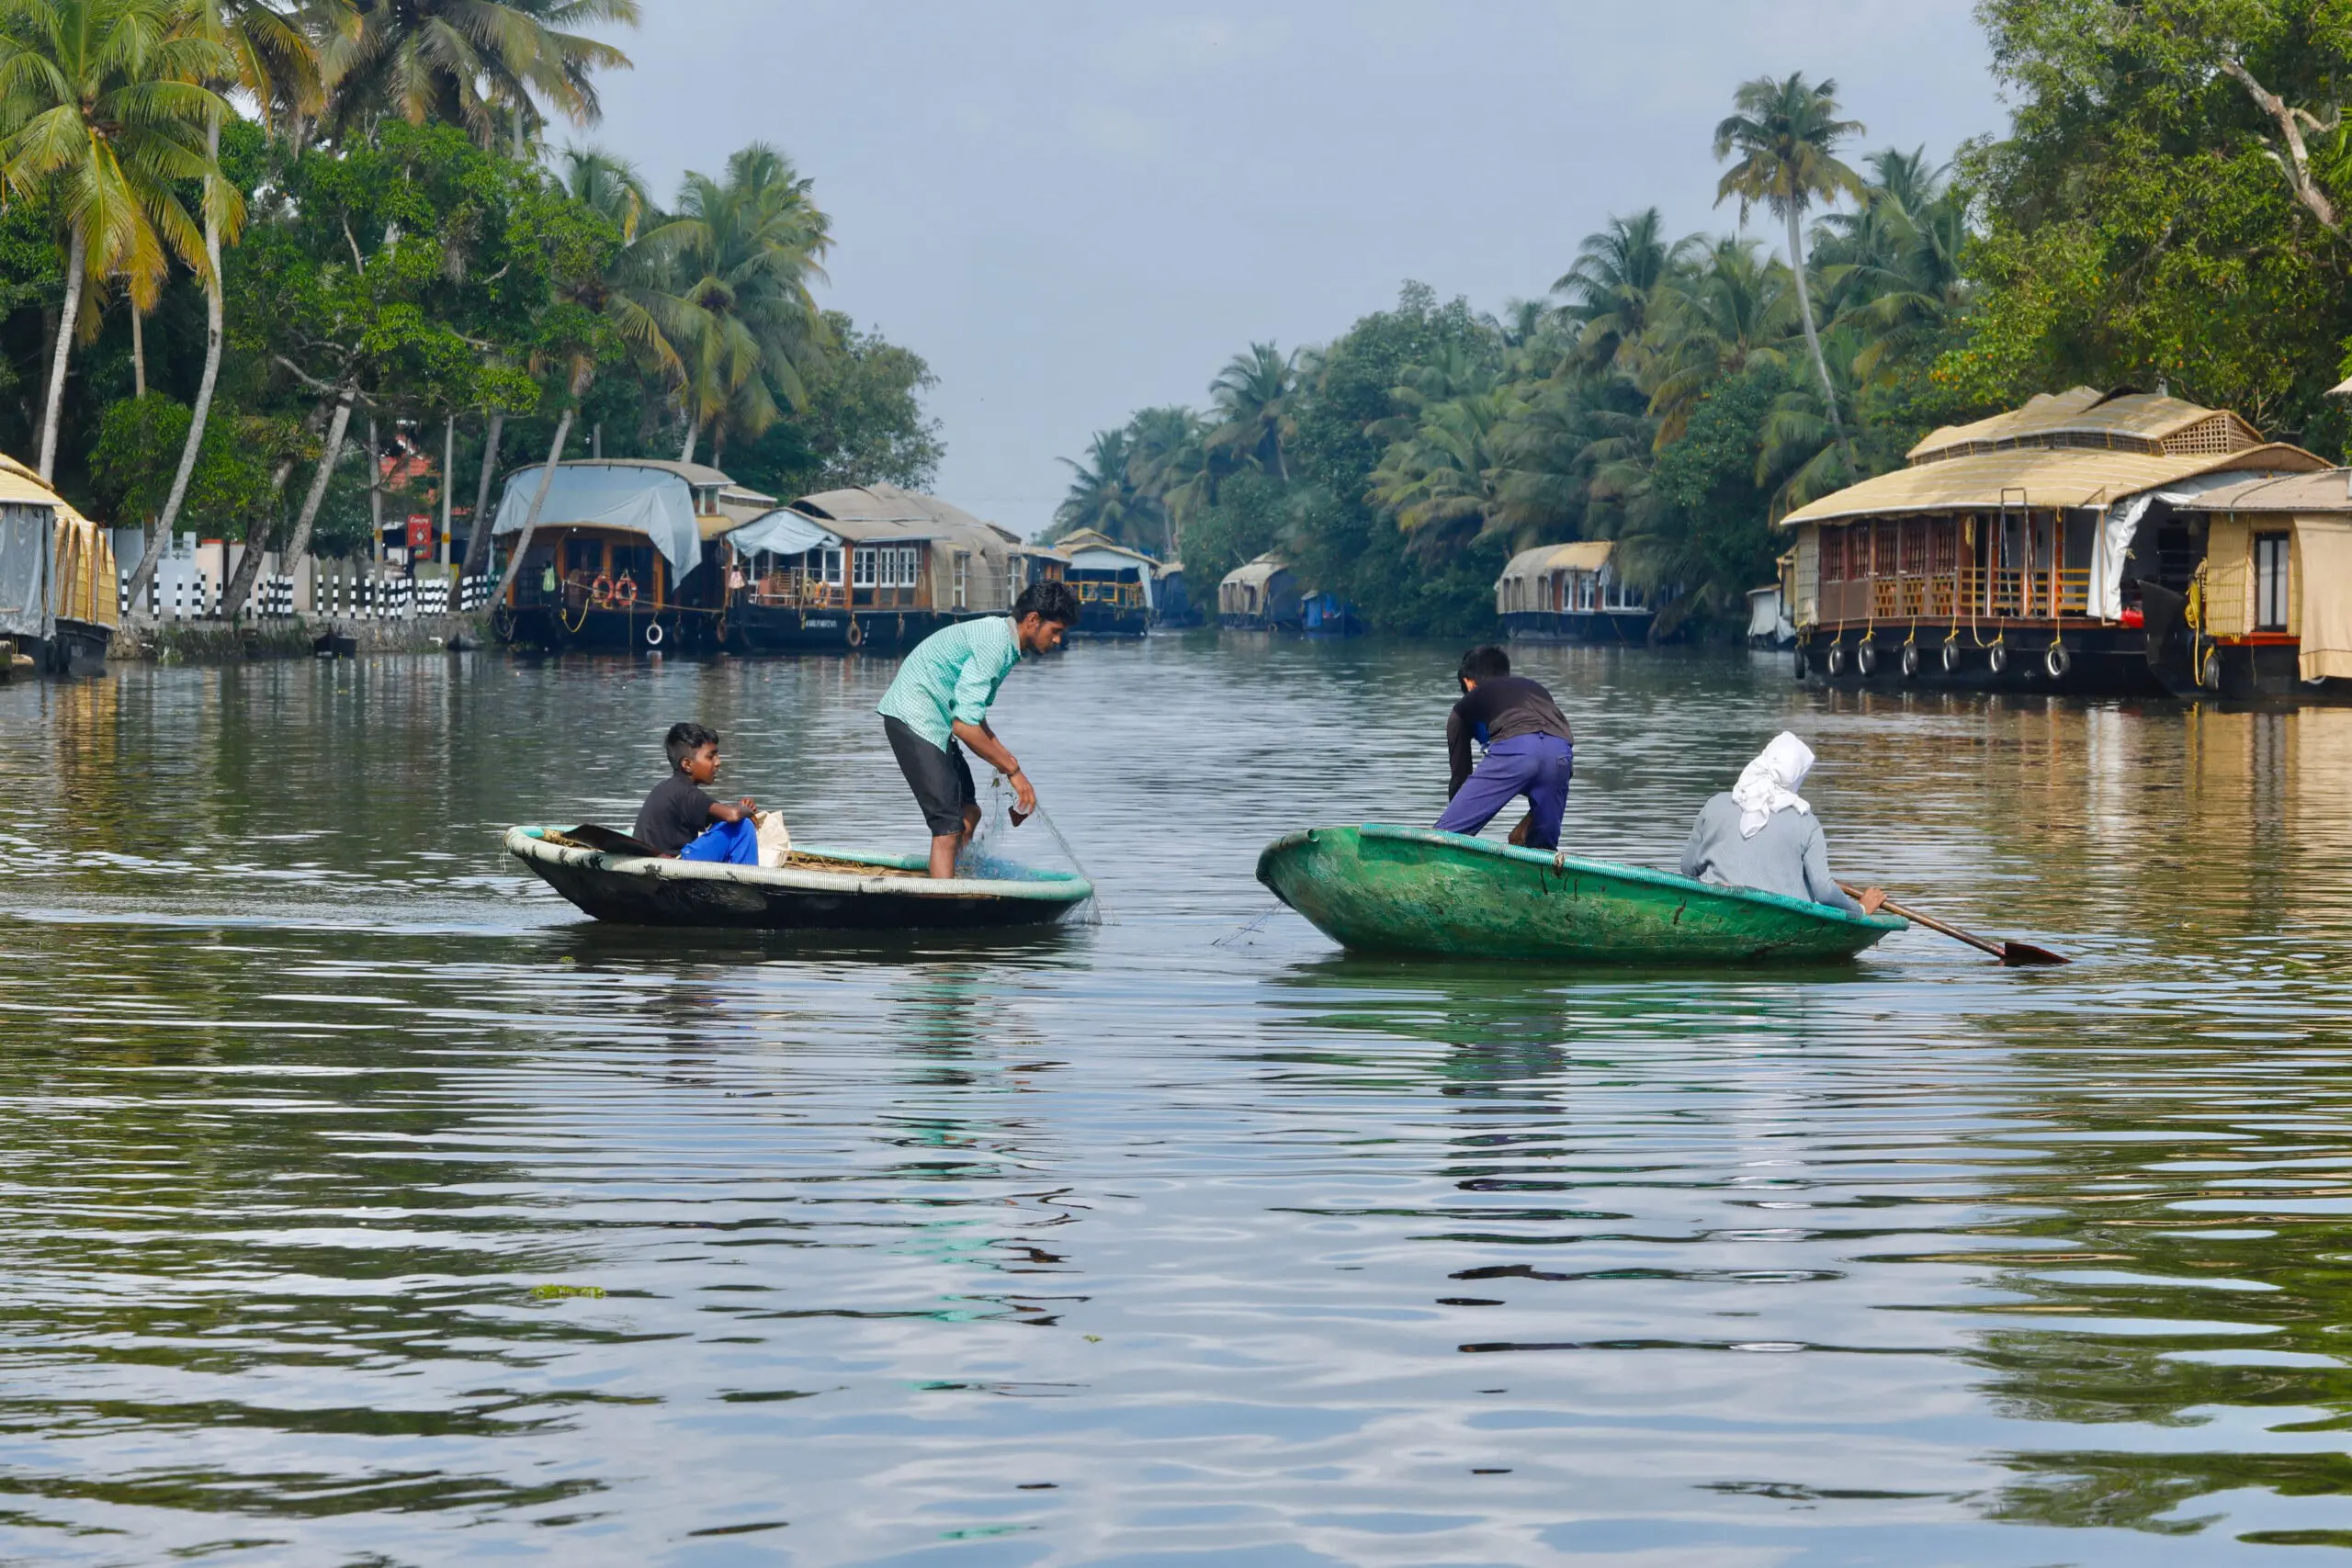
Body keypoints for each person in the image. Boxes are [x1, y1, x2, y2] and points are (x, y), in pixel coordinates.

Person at [877, 581, 1081, 878]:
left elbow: (974, 717)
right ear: (1034, 620)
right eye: (1056, 631)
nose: (1058, 640)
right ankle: (943, 908)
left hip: (936, 718)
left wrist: (1013, 771)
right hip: (914, 715)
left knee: (968, 812)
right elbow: (964, 726)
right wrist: (1013, 770)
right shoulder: (996, 644)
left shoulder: (1003, 641)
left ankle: (952, 880)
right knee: (947, 827)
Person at [1679, 731, 1886, 915]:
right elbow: (1823, 891)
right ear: (1798, 776)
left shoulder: (1715, 804)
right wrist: (1860, 909)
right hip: (1783, 918)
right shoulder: (1807, 822)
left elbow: (1688, 869)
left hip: (1717, 910)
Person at [1435, 645, 1576, 850]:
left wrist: (1457, 819)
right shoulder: (1537, 690)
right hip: (1560, 756)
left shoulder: (1465, 706)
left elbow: (1460, 777)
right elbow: (1552, 765)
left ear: (1468, 682)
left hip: (1517, 750)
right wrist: (1529, 823)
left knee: (1443, 839)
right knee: (1541, 853)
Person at [635, 722, 759, 863]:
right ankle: (744, 884)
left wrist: (741, 810)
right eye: (710, 757)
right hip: (671, 866)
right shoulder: (685, 792)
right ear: (687, 765)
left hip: (661, 863)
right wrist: (745, 810)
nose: (718, 762)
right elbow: (733, 815)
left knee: (733, 824)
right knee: (744, 827)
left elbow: (725, 818)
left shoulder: (670, 788)